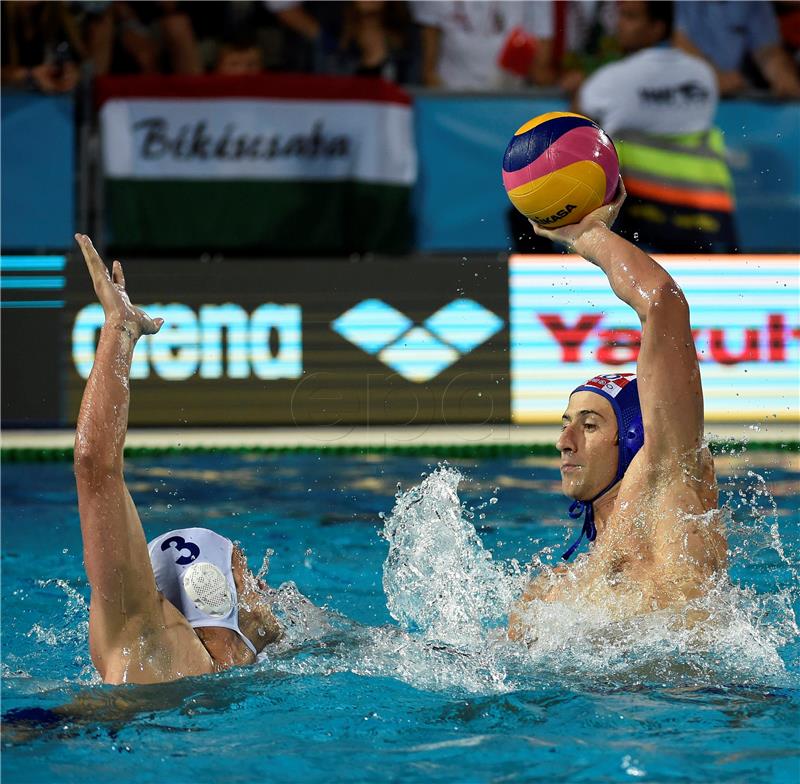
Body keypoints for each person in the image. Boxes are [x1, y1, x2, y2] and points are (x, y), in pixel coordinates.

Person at [508, 182, 727, 642]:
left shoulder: (670, 490)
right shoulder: (557, 589)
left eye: (590, 426)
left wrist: (585, 236)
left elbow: (662, 301)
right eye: (566, 424)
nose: (564, 442)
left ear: (632, 440)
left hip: (698, 699)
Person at [72, 234, 281, 685]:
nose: (263, 590)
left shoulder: (219, 667)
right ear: (212, 595)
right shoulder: (152, 646)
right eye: (243, 576)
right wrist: (119, 330)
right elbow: (94, 467)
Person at [576, 0, 736, 253]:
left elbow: (578, 123)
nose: (620, 25)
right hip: (707, 215)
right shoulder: (702, 74)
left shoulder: (609, 80)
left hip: (643, 216)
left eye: (630, 17)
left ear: (657, 27)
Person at [674, 0, 800, 98]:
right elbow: (677, 40)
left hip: (729, 97)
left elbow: (768, 51)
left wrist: (783, 77)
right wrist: (711, 76)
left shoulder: (752, 4)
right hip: (675, 92)